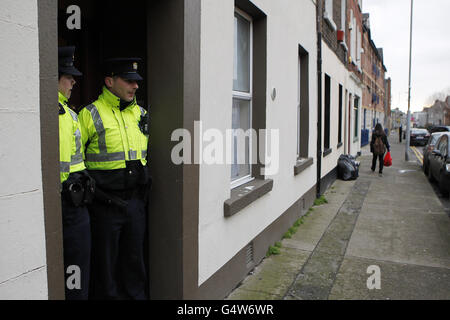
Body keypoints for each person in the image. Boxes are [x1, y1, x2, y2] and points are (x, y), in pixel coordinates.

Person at [79, 58, 150, 300]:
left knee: (135, 264)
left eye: (136, 81)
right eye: (129, 81)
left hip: (135, 204)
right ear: (110, 81)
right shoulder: (89, 115)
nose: (135, 86)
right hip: (104, 206)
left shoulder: (141, 114)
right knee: (105, 269)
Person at [58, 46, 93, 300]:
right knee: (75, 266)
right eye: (67, 76)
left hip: (77, 201)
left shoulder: (69, 113)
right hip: (67, 204)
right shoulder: (56, 113)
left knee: (80, 265)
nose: (73, 81)